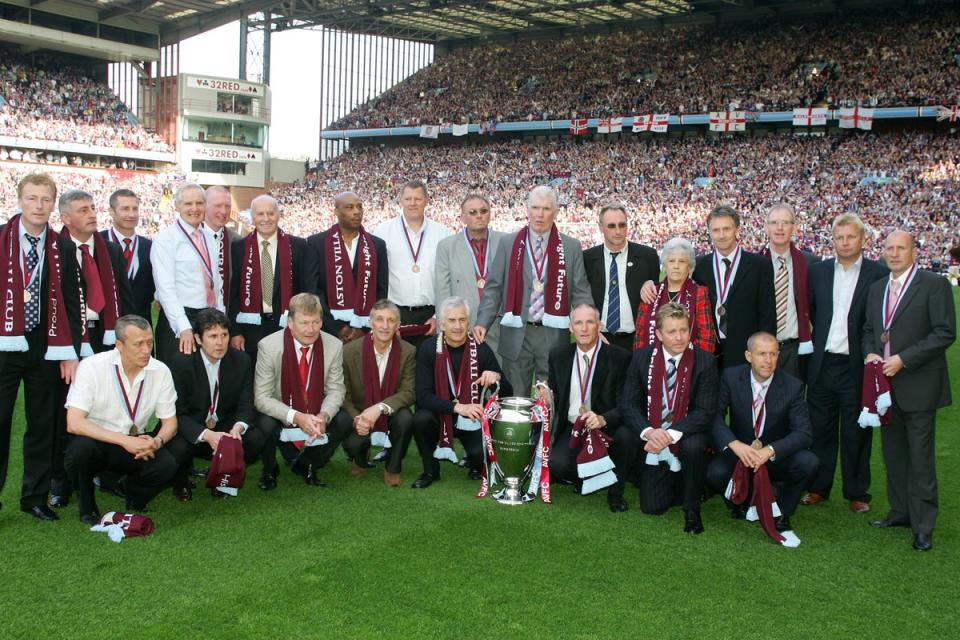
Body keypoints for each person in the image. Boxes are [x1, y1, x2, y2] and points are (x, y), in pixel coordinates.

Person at [862, 230, 956, 551]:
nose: (894, 253)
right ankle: (900, 511)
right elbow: (869, 331)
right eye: (889, 248)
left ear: (914, 251)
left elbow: (945, 332)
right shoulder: (877, 289)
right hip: (885, 388)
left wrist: (904, 359)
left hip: (918, 384)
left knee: (920, 460)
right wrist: (871, 353)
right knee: (894, 455)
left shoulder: (934, 285)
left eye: (901, 248)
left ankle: (923, 525)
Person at [0, 173, 83, 522]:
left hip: (45, 344)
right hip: (4, 341)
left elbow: (70, 300)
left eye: (45, 199)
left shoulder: (62, 246)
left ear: (53, 204)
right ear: (19, 200)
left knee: (42, 424)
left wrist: (70, 352)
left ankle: (33, 497)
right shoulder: (1, 238)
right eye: (32, 198)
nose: (38, 205)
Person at [50, 189, 135, 508]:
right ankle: (60, 480)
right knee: (67, 410)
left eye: (92, 208)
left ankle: (106, 472)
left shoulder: (109, 250)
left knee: (108, 404)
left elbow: (124, 297)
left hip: (106, 334)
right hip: (68, 338)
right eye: (82, 210)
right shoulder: (55, 248)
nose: (91, 214)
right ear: (66, 218)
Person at [803, 214, 888, 512]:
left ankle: (857, 492)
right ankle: (817, 487)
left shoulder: (878, 273)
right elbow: (813, 312)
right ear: (833, 240)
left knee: (856, 432)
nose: (845, 242)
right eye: (840, 237)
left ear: (863, 239)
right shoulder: (819, 271)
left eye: (851, 237)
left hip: (856, 365)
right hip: (822, 363)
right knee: (820, 429)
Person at [475, 185, 592, 394]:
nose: (540, 214)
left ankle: (548, 429)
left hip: (553, 334)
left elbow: (580, 289)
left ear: (556, 212)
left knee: (551, 400)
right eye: (535, 208)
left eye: (546, 209)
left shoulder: (571, 246)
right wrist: (483, 321)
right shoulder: (508, 243)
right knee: (515, 399)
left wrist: (589, 322)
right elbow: (494, 287)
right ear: (527, 210)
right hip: (517, 332)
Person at [64, 315, 180, 524]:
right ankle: (87, 506)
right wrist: (123, 440)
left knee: (167, 466)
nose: (146, 350)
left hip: (136, 441)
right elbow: (74, 422)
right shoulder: (92, 366)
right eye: (138, 344)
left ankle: (131, 493)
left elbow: (170, 423)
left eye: (149, 342)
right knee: (80, 451)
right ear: (119, 345)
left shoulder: (160, 371)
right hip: (98, 440)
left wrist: (157, 441)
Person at [706, 332, 818, 535]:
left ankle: (782, 512)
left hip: (773, 458)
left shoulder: (793, 386)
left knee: (808, 462)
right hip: (741, 454)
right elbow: (714, 417)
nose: (768, 361)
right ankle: (742, 502)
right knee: (715, 472)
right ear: (749, 356)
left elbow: (804, 432)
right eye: (762, 354)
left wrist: (770, 450)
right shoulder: (731, 377)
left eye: (773, 354)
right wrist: (735, 444)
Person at [620, 303, 718, 533]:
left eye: (684, 330)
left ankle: (692, 509)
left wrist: (670, 435)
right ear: (659, 334)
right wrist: (649, 432)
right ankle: (689, 482)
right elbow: (628, 404)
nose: (679, 337)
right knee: (652, 507)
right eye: (672, 332)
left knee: (695, 446)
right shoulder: (642, 358)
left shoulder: (705, 362)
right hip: (653, 437)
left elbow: (705, 411)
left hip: (685, 433)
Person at [168, 308, 268, 500]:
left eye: (224, 335)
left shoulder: (242, 360)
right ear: (197, 339)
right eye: (213, 336)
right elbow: (176, 413)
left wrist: (238, 428)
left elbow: (246, 404)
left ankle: (225, 477)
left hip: (225, 427)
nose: (220, 342)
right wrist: (207, 435)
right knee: (177, 444)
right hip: (193, 428)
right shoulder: (180, 364)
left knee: (255, 438)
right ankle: (180, 481)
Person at [412, 296, 510, 489]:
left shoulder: (481, 348)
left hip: (471, 418)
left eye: (462, 320)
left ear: (469, 322)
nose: (457, 326)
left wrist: (496, 377)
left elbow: (507, 391)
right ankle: (430, 470)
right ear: (441, 323)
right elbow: (422, 396)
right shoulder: (428, 349)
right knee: (420, 419)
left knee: (479, 455)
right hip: (439, 413)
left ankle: (474, 464)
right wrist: (457, 407)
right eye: (452, 320)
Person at [545, 304, 635, 513]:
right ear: (570, 328)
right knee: (557, 465)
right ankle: (586, 474)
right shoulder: (558, 355)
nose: (584, 328)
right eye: (578, 323)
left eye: (590, 322)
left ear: (599, 326)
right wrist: (546, 393)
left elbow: (627, 403)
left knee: (627, 436)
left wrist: (604, 418)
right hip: (573, 426)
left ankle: (615, 493)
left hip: (606, 427)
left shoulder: (619, 357)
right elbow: (556, 392)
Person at [253, 293, 348, 489]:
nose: (310, 329)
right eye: (304, 323)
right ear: (290, 322)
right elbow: (262, 398)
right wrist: (297, 417)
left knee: (344, 421)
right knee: (264, 423)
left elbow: (336, 389)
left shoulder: (334, 345)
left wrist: (323, 415)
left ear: (322, 321)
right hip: (282, 409)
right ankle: (270, 470)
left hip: (316, 408)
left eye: (315, 322)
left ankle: (306, 464)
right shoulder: (268, 346)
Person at [330, 300, 416, 486]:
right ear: (370, 323)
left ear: (398, 325)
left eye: (391, 320)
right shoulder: (348, 351)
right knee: (354, 444)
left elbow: (409, 392)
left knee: (406, 418)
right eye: (379, 319)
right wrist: (358, 418)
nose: (385, 326)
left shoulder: (408, 351)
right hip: (359, 412)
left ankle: (392, 467)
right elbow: (343, 394)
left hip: (390, 410)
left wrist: (379, 408)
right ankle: (360, 456)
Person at [693, 205, 776, 369]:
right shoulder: (698, 266)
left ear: (737, 229)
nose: (722, 235)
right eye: (716, 230)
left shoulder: (759, 265)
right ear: (709, 232)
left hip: (745, 352)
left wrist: (763, 352)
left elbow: (767, 314)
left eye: (727, 229)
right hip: (708, 352)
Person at [229, 194, 309, 363]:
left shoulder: (299, 246)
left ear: (278, 215)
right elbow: (234, 293)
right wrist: (235, 331)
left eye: (271, 213)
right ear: (252, 217)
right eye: (260, 214)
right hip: (250, 329)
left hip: (287, 326)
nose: (266, 218)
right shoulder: (238, 248)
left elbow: (305, 290)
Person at [373, 180, 452, 349]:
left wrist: (439, 316)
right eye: (408, 199)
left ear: (427, 201)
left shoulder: (443, 233)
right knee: (396, 371)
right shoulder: (382, 231)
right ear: (400, 201)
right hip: (395, 315)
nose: (412, 203)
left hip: (430, 316)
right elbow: (375, 276)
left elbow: (449, 278)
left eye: (418, 199)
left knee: (427, 371)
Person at [151, 183, 224, 363]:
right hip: (179, 319)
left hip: (208, 317)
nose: (194, 209)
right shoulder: (165, 240)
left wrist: (221, 318)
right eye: (188, 204)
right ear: (177, 206)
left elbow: (217, 281)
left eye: (199, 203)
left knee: (205, 379)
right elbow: (166, 289)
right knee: (179, 381)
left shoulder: (208, 237)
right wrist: (183, 327)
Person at [306, 191, 388, 344]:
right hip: (327, 331)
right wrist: (337, 327)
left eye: (359, 207)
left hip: (365, 331)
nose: (357, 212)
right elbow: (312, 290)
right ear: (336, 211)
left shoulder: (377, 245)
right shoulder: (316, 243)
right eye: (349, 207)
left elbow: (381, 291)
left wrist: (363, 328)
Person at [435, 194, 506, 358]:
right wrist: (444, 331)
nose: (479, 215)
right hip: (461, 327)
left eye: (483, 211)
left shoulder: (506, 241)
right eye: (472, 212)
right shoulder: (447, 246)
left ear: (490, 213)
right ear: (462, 218)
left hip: (498, 326)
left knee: (497, 378)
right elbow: (442, 292)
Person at [582, 201, 659, 352]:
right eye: (611, 226)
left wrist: (650, 283)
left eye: (622, 225)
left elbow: (658, 292)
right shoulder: (587, 258)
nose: (617, 231)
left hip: (637, 340)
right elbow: (579, 295)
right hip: (599, 338)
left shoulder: (647, 256)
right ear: (601, 228)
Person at [758, 203, 819, 378]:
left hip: (794, 348)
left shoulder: (810, 263)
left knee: (792, 400)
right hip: (763, 347)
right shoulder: (754, 263)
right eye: (774, 222)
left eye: (785, 222)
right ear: (766, 227)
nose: (779, 228)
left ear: (794, 227)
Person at [634, 237, 717, 353]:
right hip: (652, 366)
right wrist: (643, 364)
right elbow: (640, 338)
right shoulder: (650, 292)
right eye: (671, 261)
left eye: (682, 261)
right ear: (665, 265)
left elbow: (707, 339)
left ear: (690, 266)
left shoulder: (700, 293)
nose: (676, 266)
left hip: (691, 366)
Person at [102, 188, 154, 325]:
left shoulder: (150, 246)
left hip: (140, 325)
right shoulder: (98, 242)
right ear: (111, 212)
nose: (131, 214)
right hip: (106, 326)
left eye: (135, 209)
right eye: (125, 209)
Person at [205, 186, 241, 314]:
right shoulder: (191, 238)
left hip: (226, 316)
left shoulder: (237, 241)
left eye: (227, 206)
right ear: (204, 206)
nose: (224, 211)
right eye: (218, 205)